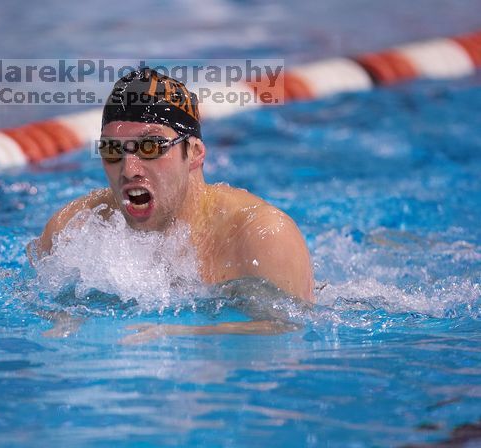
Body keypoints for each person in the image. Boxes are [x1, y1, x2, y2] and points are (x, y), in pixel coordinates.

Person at [33, 68, 313, 342]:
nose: (129, 170)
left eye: (150, 147)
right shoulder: (73, 228)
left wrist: (180, 333)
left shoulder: (261, 236)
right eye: (112, 150)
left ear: (194, 153)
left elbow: (283, 332)